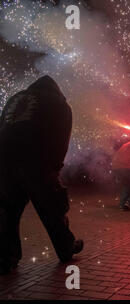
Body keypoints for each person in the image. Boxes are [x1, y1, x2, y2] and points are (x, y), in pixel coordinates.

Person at [0, 75, 83, 275]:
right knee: (53, 208)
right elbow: (60, 139)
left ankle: (6, 259)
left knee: (6, 212)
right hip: (36, 161)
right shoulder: (59, 104)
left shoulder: (16, 98)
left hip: (3, 161)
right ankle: (66, 249)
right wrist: (54, 167)